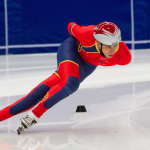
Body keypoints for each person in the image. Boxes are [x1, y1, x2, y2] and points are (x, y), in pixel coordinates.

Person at [0, 21, 131, 130]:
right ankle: (34, 115)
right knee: (71, 84)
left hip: (88, 65)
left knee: (35, 97)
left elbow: (115, 53)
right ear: (97, 42)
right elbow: (70, 25)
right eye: (108, 47)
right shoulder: (85, 33)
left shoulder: (123, 55)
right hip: (71, 50)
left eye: (115, 45)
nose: (112, 51)